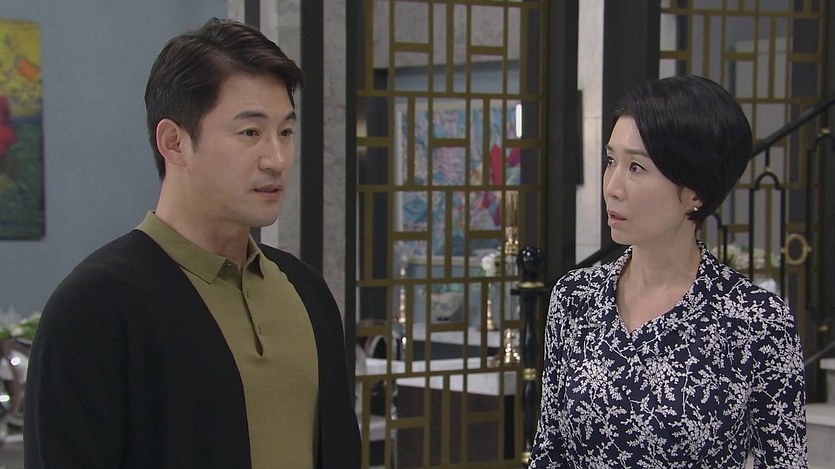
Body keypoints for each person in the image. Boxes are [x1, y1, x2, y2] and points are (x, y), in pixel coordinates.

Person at [24, 18, 360, 469]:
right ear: (174, 142)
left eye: (285, 132)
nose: (276, 159)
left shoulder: (306, 290)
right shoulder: (96, 306)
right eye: (250, 132)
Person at [528, 76, 806, 468]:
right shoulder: (576, 297)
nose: (612, 187)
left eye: (636, 167)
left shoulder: (755, 319)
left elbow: (783, 461)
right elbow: (549, 450)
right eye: (611, 161)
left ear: (695, 191)